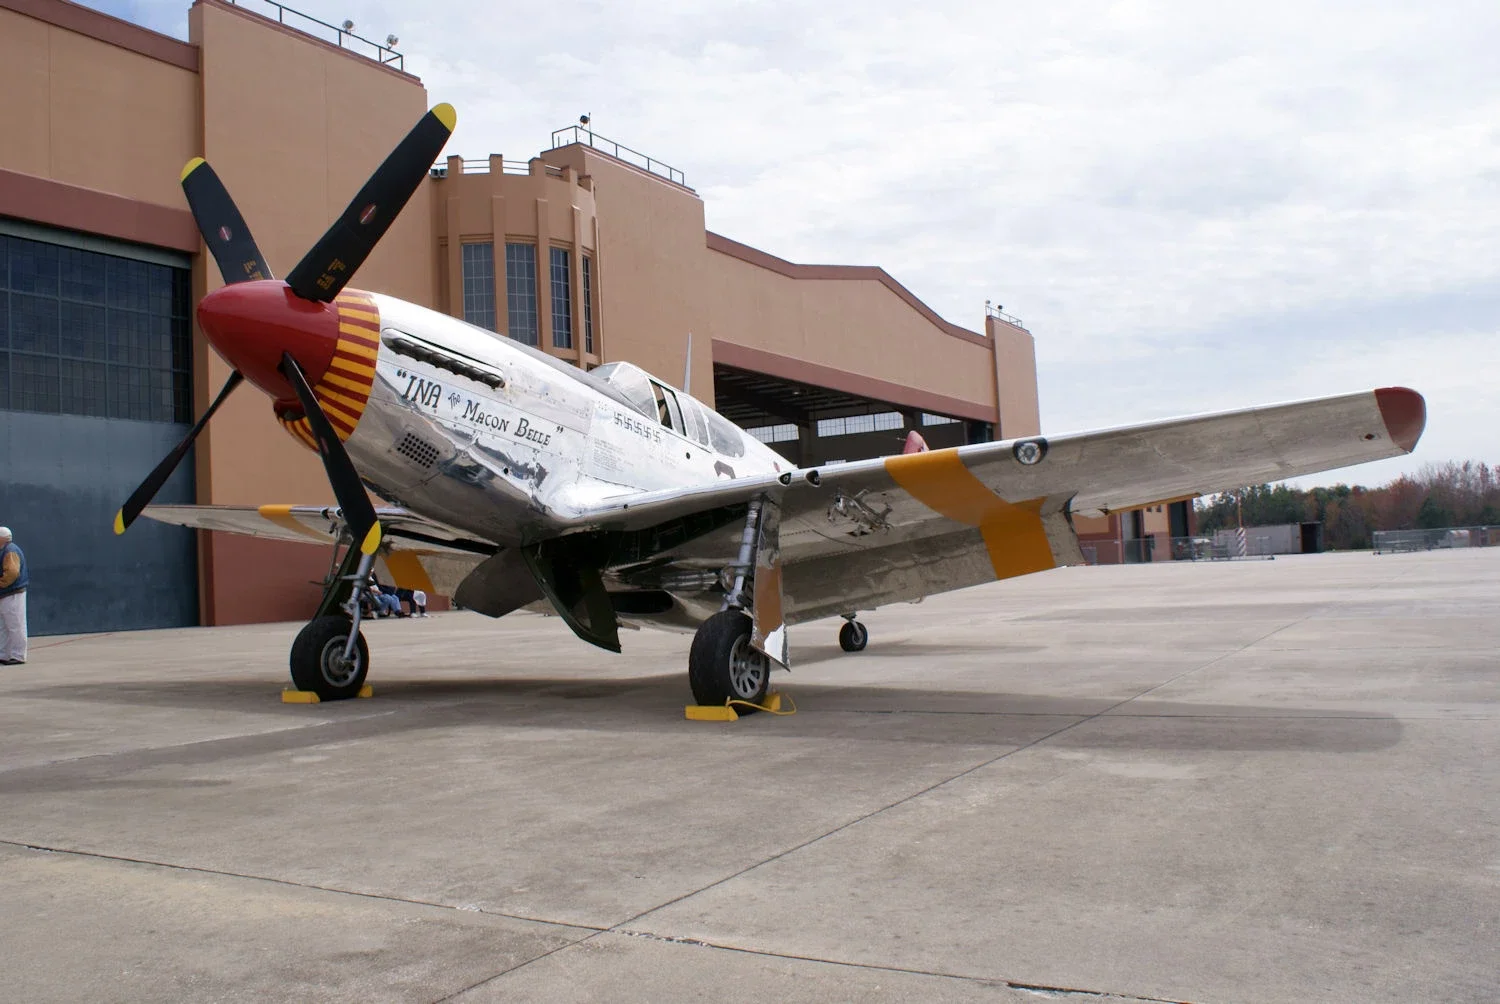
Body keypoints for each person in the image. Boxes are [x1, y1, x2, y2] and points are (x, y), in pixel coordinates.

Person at [0, 527, 28, 666]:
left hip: (12, 593)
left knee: (15, 625)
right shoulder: (5, 550)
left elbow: (11, 573)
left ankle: (18, 655)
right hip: (6, 594)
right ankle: (4, 654)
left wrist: (0, 583)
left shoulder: (10, 551)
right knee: (4, 626)